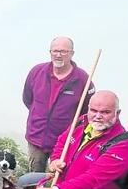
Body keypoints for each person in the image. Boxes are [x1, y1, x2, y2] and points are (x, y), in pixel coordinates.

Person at [34, 91, 128, 189]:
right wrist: (55, 160)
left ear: (117, 113)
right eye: (93, 110)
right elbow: (62, 142)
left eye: (105, 112)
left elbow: (92, 180)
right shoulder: (81, 122)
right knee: (26, 182)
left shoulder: (122, 146)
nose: (98, 116)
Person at [22, 37, 94, 172]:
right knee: (34, 181)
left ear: (72, 53)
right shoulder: (37, 72)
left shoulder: (83, 79)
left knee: (60, 179)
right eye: (55, 51)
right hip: (36, 138)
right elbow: (27, 99)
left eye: (63, 51)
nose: (58, 55)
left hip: (65, 142)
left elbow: (88, 111)